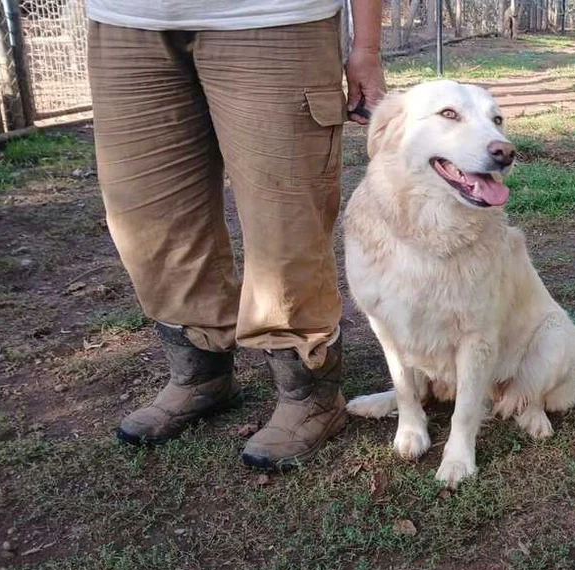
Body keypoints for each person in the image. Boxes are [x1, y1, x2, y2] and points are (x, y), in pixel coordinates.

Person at [85, 0, 386, 470]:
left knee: (286, 224)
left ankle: (310, 394)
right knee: (151, 218)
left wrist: (366, 45)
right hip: (126, 22)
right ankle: (200, 374)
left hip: (272, 19)